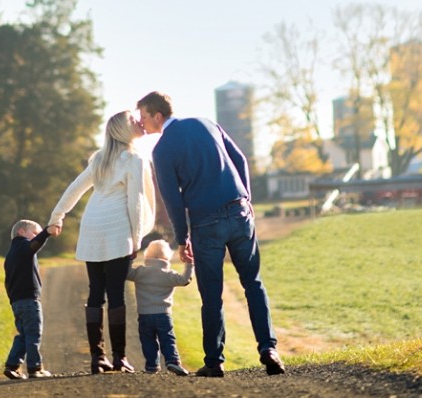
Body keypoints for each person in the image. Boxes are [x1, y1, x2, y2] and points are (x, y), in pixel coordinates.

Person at [136, 90, 286, 378]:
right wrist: (247, 200)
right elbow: (240, 160)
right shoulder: (206, 123)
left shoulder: (161, 150)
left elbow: (172, 199)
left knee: (212, 295)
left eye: (143, 116)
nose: (141, 122)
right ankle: (269, 349)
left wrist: (182, 239)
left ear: (158, 115)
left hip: (206, 224)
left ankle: (215, 361)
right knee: (253, 283)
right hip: (240, 212)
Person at [48, 110, 155, 374]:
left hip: (92, 227)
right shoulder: (133, 159)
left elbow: (75, 188)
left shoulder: (99, 159)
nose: (138, 122)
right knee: (116, 293)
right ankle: (119, 358)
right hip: (117, 229)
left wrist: (57, 216)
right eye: (133, 120)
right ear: (122, 130)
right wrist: (137, 237)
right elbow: (135, 201)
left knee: (96, 291)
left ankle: (98, 358)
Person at [3, 217, 61, 380]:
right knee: (34, 333)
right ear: (21, 232)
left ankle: (12, 366)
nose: (37, 236)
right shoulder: (22, 246)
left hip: (17, 302)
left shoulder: (11, 254)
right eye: (34, 232)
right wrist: (46, 233)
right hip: (29, 300)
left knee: (24, 335)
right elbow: (33, 245)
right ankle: (35, 368)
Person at [127, 238, 193, 375]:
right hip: (164, 314)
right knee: (167, 338)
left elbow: (126, 273)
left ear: (147, 255)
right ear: (167, 256)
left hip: (144, 315)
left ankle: (152, 365)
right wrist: (189, 264)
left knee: (148, 340)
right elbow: (185, 280)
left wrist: (130, 259)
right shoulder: (169, 275)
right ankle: (172, 361)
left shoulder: (140, 272)